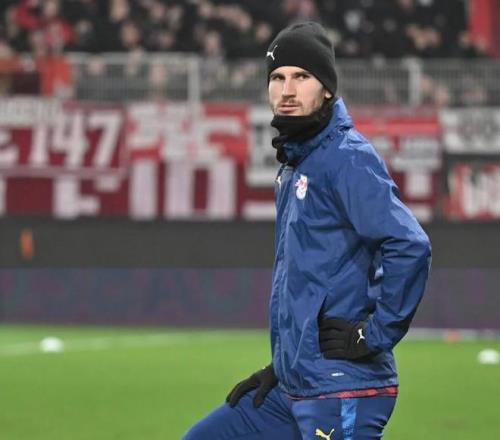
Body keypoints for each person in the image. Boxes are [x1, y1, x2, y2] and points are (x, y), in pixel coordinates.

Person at [183, 22, 431, 440]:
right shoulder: (296, 165)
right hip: (295, 386)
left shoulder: (346, 158)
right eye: (278, 78)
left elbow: (409, 244)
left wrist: (373, 335)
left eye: (301, 77)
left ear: (327, 89)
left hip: (343, 386)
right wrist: (282, 366)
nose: (287, 90)